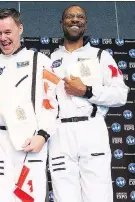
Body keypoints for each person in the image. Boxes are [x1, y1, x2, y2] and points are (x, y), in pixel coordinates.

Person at [0, 8, 60, 202]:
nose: (3, 38)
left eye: (8, 32)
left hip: (30, 143)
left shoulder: (41, 61)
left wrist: (43, 134)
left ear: (20, 29)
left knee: (29, 199)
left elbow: (52, 103)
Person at [48, 5, 129, 202]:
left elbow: (121, 94)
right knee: (64, 196)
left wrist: (87, 91)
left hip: (91, 129)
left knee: (98, 196)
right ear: (61, 23)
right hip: (60, 133)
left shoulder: (100, 56)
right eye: (70, 16)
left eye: (80, 17)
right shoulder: (50, 60)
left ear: (85, 23)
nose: (75, 20)